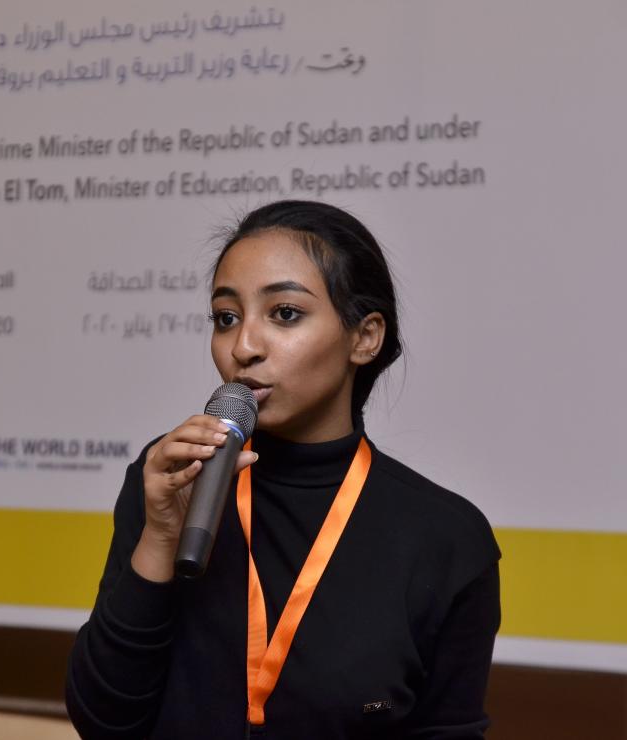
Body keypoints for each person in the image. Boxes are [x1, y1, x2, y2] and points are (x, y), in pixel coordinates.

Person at [66, 200, 500, 739]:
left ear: (364, 337)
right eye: (226, 318)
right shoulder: (171, 476)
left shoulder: (446, 537)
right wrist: (160, 537)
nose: (242, 347)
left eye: (285, 313)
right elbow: (103, 722)